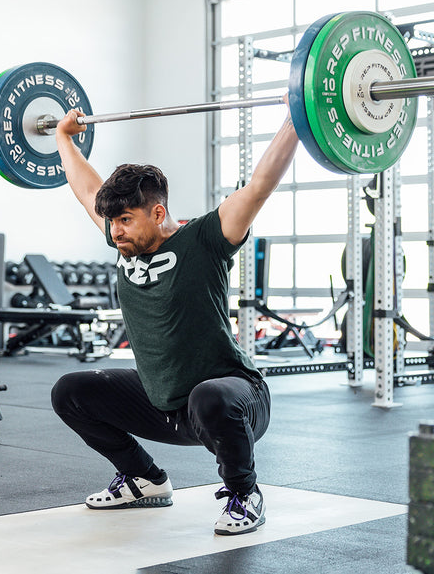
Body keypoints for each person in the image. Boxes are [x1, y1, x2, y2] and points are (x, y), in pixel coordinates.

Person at [49, 96, 299, 535]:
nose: (114, 231)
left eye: (124, 220)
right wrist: (62, 138)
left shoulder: (206, 237)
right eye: (111, 222)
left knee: (209, 397)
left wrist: (297, 115)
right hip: (164, 403)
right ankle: (143, 479)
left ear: (158, 212)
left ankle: (245, 493)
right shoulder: (122, 236)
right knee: (70, 391)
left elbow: (260, 184)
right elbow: (85, 188)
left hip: (234, 400)